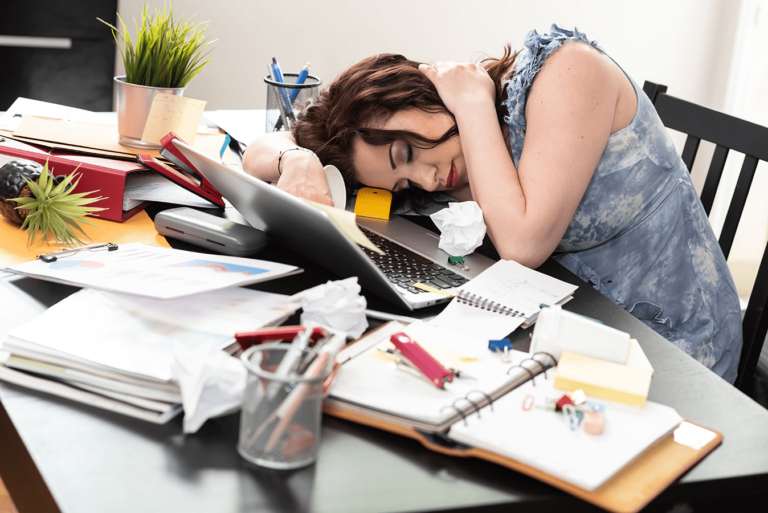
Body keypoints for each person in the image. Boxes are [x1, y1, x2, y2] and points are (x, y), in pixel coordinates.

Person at [243, 25, 743, 382]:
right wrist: (298, 159)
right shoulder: (451, 152)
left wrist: (475, 102)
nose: (426, 177)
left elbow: (522, 245)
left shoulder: (568, 70)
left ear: (414, 92)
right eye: (403, 183)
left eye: (407, 152)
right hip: (560, 332)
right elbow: (256, 151)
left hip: (673, 353)